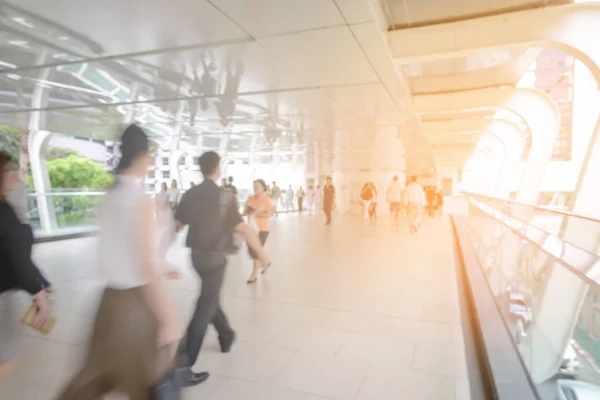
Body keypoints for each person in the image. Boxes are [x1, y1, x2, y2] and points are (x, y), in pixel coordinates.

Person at [59, 125, 180, 399]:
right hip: (136, 307)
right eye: (150, 154)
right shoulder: (139, 201)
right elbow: (145, 264)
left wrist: (162, 265)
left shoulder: (109, 197)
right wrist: (169, 318)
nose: (151, 160)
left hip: (108, 304)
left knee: (91, 380)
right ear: (141, 155)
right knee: (151, 381)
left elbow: (123, 251)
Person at [173, 151, 270, 386]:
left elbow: (174, 226)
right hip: (216, 260)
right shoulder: (224, 196)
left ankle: (226, 334)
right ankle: (182, 366)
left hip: (195, 258)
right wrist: (262, 254)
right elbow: (244, 229)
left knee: (209, 297)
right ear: (217, 170)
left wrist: (155, 255)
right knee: (204, 306)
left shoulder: (190, 194)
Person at [0, 152, 51, 380]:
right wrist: (40, 298)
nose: (14, 176)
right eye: (9, 170)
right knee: (9, 357)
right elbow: (18, 258)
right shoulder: (4, 212)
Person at [6, 167, 53, 292]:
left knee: (23, 262)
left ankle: (42, 287)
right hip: (20, 227)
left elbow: (16, 207)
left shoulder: (14, 190)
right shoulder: (16, 187)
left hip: (18, 229)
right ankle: (43, 286)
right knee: (23, 261)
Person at [243, 179, 274, 284]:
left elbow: (269, 214)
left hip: (262, 230)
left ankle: (253, 275)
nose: (255, 188)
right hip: (251, 230)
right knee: (252, 250)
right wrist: (248, 211)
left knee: (256, 252)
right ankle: (266, 261)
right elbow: (245, 213)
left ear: (263, 188)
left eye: (258, 186)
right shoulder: (250, 199)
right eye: (254, 186)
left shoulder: (267, 200)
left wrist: (256, 213)